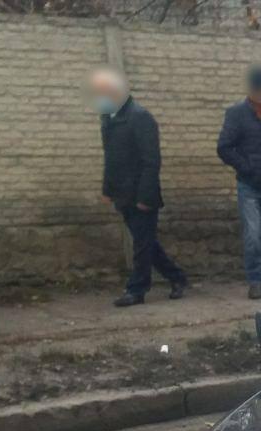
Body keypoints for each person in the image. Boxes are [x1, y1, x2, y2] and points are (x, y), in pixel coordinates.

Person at [92, 68, 188, 308]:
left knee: (142, 244)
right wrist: (107, 189)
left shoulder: (140, 117)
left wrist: (145, 197)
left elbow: (151, 160)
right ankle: (177, 277)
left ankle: (137, 289)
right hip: (122, 193)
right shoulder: (109, 118)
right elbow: (111, 158)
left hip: (141, 194)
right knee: (146, 243)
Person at [218, 64, 261, 299]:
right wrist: (248, 169)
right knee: (254, 236)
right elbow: (224, 147)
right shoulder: (237, 114)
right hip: (251, 187)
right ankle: (255, 281)